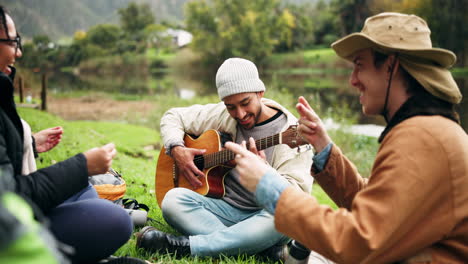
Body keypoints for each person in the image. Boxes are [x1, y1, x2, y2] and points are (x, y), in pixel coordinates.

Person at [225, 12, 468, 263]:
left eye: (360, 65)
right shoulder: (427, 128)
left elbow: (359, 242)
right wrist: (324, 148)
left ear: (391, 66)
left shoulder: (421, 137)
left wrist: (268, 185)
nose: (353, 80)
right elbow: (375, 204)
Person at [136, 57, 313, 261]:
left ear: (260, 93)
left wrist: (264, 173)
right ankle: (254, 248)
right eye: (231, 107)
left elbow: (295, 198)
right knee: (172, 200)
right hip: (223, 209)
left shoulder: (291, 133)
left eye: (245, 103)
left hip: (265, 217)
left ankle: (188, 247)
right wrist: (177, 148)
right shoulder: (224, 114)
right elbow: (173, 116)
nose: (240, 114)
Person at [0, 6, 133, 263]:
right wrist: (82, 165)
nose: (19, 52)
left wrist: (29, 143)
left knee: (85, 190)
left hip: (22, 206)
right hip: (13, 225)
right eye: (12, 42)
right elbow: (11, 197)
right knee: (116, 221)